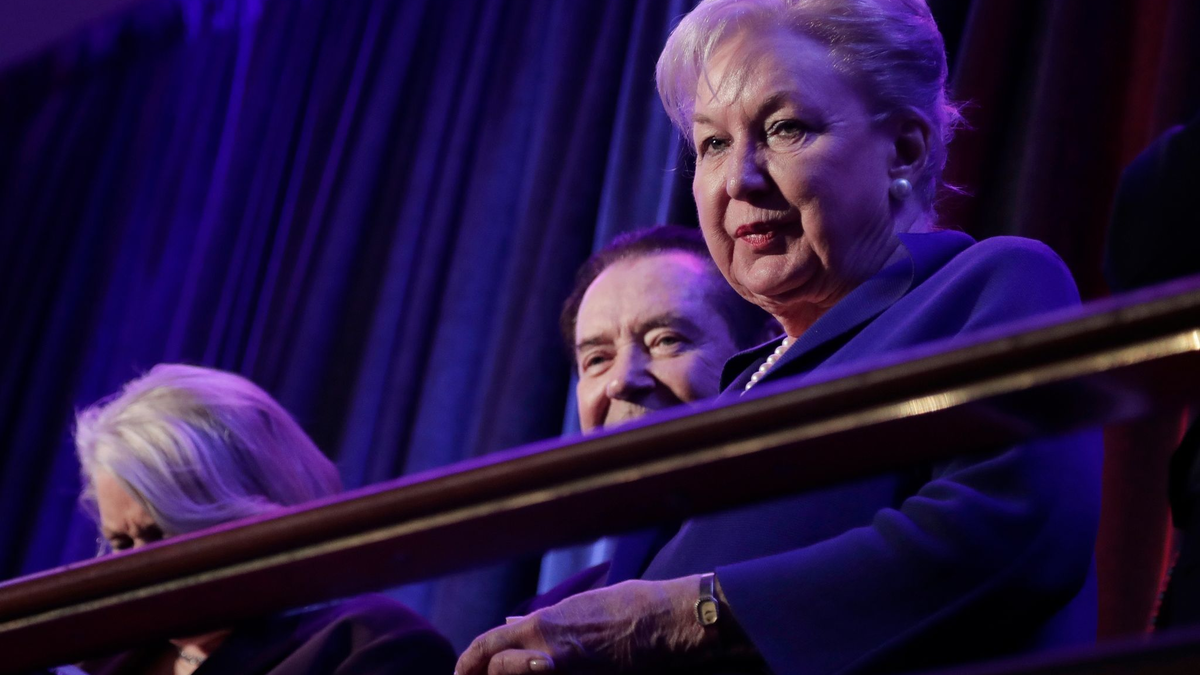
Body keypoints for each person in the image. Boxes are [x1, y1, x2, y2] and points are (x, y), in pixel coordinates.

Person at [457, 1, 1102, 674]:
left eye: (784, 128)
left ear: (905, 149)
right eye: (712, 144)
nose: (739, 178)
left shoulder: (987, 285)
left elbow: (1012, 529)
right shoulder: (740, 385)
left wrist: (692, 614)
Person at [72, 364, 455, 675]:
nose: (137, 569)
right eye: (122, 543)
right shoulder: (98, 655)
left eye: (162, 533)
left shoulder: (370, 644)